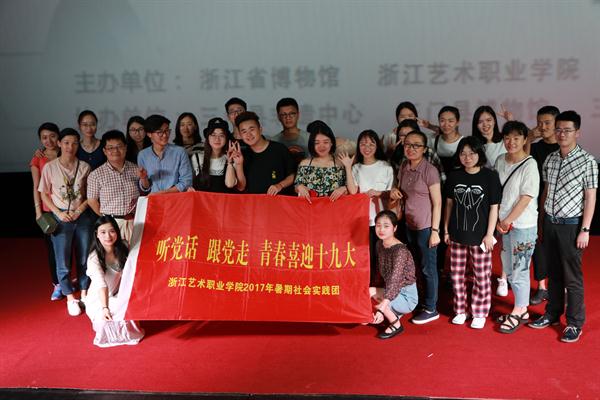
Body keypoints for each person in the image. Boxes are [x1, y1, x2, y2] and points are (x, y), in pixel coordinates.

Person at [528, 110, 598, 343]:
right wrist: (541, 222)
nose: (562, 134)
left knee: (572, 277)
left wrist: (585, 229)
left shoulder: (587, 161)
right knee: (554, 273)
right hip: (550, 222)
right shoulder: (551, 159)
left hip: (571, 225)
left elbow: (590, 197)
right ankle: (552, 314)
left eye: (567, 130)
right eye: (558, 129)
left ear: (577, 132)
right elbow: (545, 192)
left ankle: (575, 323)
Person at [443, 136, 501, 329]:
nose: (467, 157)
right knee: (456, 276)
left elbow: (494, 207)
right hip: (457, 234)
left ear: (479, 154)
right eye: (463, 153)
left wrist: (489, 234)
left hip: (481, 237)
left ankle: (479, 312)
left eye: (472, 153)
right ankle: (460, 310)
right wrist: (446, 229)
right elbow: (449, 204)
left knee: (481, 277)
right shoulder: (454, 176)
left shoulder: (490, 176)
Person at [38, 128, 94, 316]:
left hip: (82, 216)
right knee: (62, 260)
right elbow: (44, 194)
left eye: (75, 143)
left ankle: (84, 293)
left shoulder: (84, 166)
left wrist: (79, 210)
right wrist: (58, 213)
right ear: (59, 144)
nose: (71, 147)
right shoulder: (50, 167)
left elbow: (90, 195)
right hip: (60, 217)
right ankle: (70, 297)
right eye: (67, 142)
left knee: (84, 257)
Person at [390, 130, 442, 325]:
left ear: (424, 149)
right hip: (409, 225)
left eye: (416, 145)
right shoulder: (404, 166)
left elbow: (437, 203)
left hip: (426, 227)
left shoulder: (430, 170)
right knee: (415, 267)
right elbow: (400, 191)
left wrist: (435, 231)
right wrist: (394, 191)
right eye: (407, 145)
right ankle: (419, 302)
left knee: (428, 268)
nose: (411, 149)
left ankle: (431, 308)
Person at [494, 121, 539, 333]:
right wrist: (499, 220)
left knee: (520, 268)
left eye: (516, 138)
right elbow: (496, 192)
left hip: (522, 225)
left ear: (524, 140)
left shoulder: (530, 165)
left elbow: (526, 198)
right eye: (507, 138)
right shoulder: (500, 160)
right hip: (503, 224)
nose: (511, 142)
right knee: (509, 266)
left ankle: (520, 309)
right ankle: (521, 308)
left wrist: (507, 220)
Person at [85, 215, 144, 347]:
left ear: (117, 232)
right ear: (97, 234)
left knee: (129, 306)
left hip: (118, 293)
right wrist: (105, 308)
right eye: (103, 232)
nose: (108, 236)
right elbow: (102, 285)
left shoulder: (124, 246)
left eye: (112, 231)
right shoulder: (94, 258)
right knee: (107, 320)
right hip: (99, 298)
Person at [344, 130, 393, 286]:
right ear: (358, 146)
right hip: (363, 219)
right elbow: (352, 191)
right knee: (367, 256)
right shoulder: (356, 168)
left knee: (384, 256)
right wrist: (347, 167)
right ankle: (368, 287)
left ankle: (385, 289)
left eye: (371, 144)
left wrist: (379, 193)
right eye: (363, 144)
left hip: (383, 220)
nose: (367, 148)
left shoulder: (386, 167)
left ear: (377, 146)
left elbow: (392, 193)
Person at [528, 105, 560, 305]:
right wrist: (529, 138)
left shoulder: (564, 147)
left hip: (560, 204)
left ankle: (561, 287)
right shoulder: (536, 147)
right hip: (536, 202)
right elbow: (523, 161)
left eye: (547, 122)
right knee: (538, 245)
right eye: (539, 122)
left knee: (559, 248)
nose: (543, 126)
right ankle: (541, 287)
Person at [370, 210, 418, 339]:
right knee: (369, 291)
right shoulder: (379, 244)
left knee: (381, 304)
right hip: (391, 289)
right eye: (378, 225)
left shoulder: (400, 251)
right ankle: (389, 312)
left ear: (394, 228)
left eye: (386, 226)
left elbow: (395, 281)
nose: (381, 229)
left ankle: (396, 324)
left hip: (407, 296)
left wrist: (381, 308)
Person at [87, 130, 141, 242]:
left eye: (119, 146)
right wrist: (106, 218)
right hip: (111, 224)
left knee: (135, 251)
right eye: (110, 148)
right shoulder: (96, 174)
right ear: (104, 151)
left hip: (135, 221)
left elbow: (144, 191)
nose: (115, 151)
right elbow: (92, 201)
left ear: (125, 148)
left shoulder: (136, 169)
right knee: (114, 252)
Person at [228, 111, 295, 195]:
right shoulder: (243, 155)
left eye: (252, 129)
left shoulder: (279, 149)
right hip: (254, 202)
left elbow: (292, 175)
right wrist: (239, 164)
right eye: (244, 131)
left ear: (260, 129)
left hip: (279, 201)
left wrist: (280, 185)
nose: (248, 134)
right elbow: (241, 187)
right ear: (241, 135)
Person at [30, 122, 61, 300]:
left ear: (58, 136)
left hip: (67, 207)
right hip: (48, 209)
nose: (48, 141)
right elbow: (36, 186)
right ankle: (57, 284)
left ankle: (69, 280)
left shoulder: (66, 152)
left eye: (52, 136)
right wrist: (38, 212)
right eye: (44, 138)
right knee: (52, 249)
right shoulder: (38, 159)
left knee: (68, 247)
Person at [138, 114, 193, 194]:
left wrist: (163, 193)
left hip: (175, 199)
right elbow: (146, 188)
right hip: (153, 199)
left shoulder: (180, 152)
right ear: (149, 134)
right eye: (160, 132)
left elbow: (186, 182)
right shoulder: (143, 155)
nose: (165, 135)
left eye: (167, 130)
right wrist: (143, 178)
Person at [294, 120, 347, 201]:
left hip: (335, 207)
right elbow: (296, 186)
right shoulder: (305, 163)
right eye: (317, 143)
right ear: (312, 144)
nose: (321, 146)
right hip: (310, 207)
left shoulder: (340, 163)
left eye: (325, 142)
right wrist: (299, 187)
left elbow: (350, 187)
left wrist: (344, 188)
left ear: (332, 143)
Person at [189, 117, 237, 192]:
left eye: (221, 135)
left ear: (226, 138)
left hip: (224, 199)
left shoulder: (232, 157)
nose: (217, 139)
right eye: (213, 135)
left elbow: (230, 184)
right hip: (202, 199)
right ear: (208, 137)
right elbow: (189, 184)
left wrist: (230, 162)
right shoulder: (197, 158)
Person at [270, 97, 309, 166]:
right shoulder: (273, 142)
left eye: (292, 113)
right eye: (284, 114)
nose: (288, 117)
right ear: (278, 117)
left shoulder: (310, 138)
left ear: (298, 115)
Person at [472, 105, 506, 169]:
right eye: (480, 122)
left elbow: (526, 139)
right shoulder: (474, 145)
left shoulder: (505, 138)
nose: (485, 124)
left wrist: (510, 120)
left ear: (494, 121)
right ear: (476, 125)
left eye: (488, 120)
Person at [433, 106, 463, 174]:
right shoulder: (433, 140)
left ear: (457, 122)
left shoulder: (464, 142)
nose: (446, 124)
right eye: (442, 121)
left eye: (450, 121)